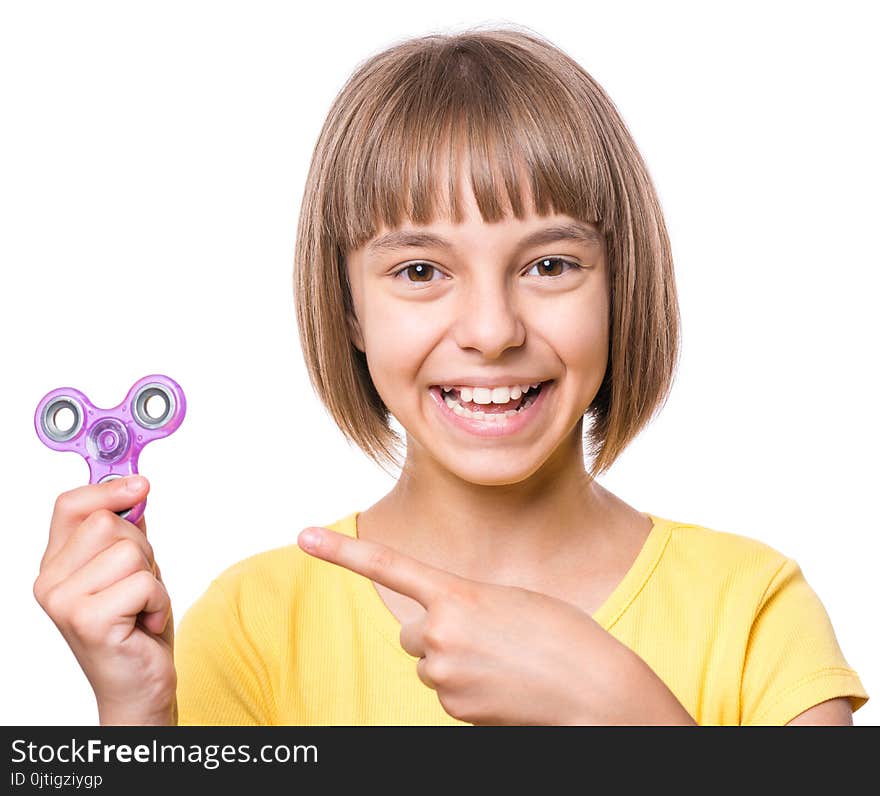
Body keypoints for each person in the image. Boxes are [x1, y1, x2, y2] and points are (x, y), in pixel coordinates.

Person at [34, 25, 869, 726]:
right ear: (350, 308)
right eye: (421, 273)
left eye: (548, 264)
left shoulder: (757, 610)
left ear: (622, 286)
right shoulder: (255, 625)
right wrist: (137, 722)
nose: (492, 331)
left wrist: (623, 712)